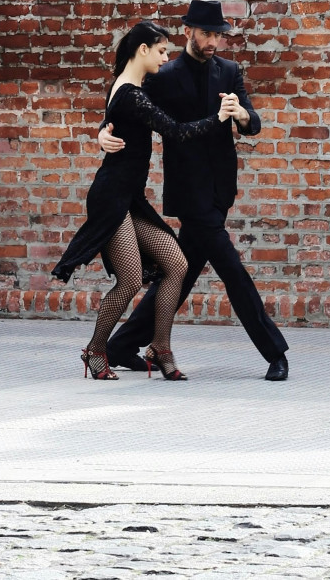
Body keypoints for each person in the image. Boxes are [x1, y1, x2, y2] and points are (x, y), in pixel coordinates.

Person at [99, 0, 291, 381]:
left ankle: (121, 345)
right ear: (189, 31)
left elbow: (253, 124)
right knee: (233, 271)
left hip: (221, 190)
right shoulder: (164, 74)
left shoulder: (230, 72)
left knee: (179, 274)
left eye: (218, 34)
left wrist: (242, 115)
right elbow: (125, 100)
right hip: (190, 192)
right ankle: (275, 352)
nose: (213, 41)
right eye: (206, 33)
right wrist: (103, 130)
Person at [52, 21, 239, 380]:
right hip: (112, 197)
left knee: (176, 264)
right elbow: (176, 131)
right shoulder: (132, 94)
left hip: (129, 198)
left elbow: (110, 121)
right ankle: (95, 349)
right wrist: (218, 119)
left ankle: (160, 346)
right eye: (161, 51)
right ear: (143, 50)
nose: (166, 57)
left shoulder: (129, 86)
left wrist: (100, 133)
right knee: (130, 279)